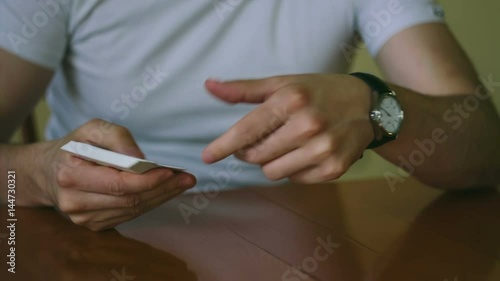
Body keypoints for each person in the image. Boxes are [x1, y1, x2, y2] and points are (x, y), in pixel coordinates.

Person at [1, 0, 499, 231]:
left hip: (293, 245)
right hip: (87, 242)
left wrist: (377, 105)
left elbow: (484, 147)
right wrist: (42, 176)